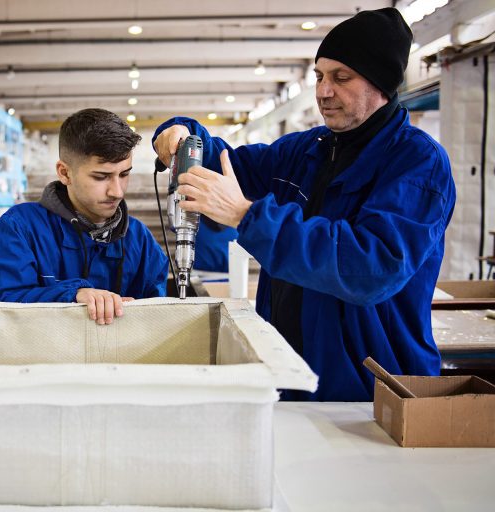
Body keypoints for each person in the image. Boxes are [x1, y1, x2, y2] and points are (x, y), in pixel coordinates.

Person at [153, 7, 456, 401]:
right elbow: (228, 164)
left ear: (381, 84)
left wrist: (246, 216)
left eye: (341, 78)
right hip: (293, 369)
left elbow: (370, 267)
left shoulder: (417, 163)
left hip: (373, 387)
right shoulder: (307, 149)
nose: (323, 91)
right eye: (319, 76)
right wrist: (182, 134)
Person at [0, 108, 169, 325]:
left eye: (124, 174)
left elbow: (158, 318)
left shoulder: (139, 239)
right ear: (64, 173)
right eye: (101, 176)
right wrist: (73, 294)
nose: (117, 191)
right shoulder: (20, 228)